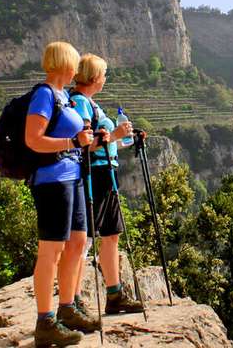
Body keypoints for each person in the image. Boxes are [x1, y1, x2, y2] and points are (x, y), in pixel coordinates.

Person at [25, 42, 99, 347]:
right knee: (51, 250)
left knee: (77, 242)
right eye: (74, 63)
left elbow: (73, 138)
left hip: (73, 176)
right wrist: (72, 142)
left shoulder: (64, 97)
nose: (77, 69)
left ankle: (67, 308)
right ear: (65, 64)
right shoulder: (44, 95)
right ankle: (45, 322)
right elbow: (33, 139)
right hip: (52, 180)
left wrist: (88, 139)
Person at [69, 54, 144, 314]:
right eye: (103, 74)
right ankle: (73, 300)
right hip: (93, 176)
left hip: (107, 174)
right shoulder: (79, 103)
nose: (105, 78)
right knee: (85, 240)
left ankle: (115, 295)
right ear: (93, 78)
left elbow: (105, 143)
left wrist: (126, 139)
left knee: (111, 235)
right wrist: (115, 134)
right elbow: (84, 144)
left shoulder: (91, 103)